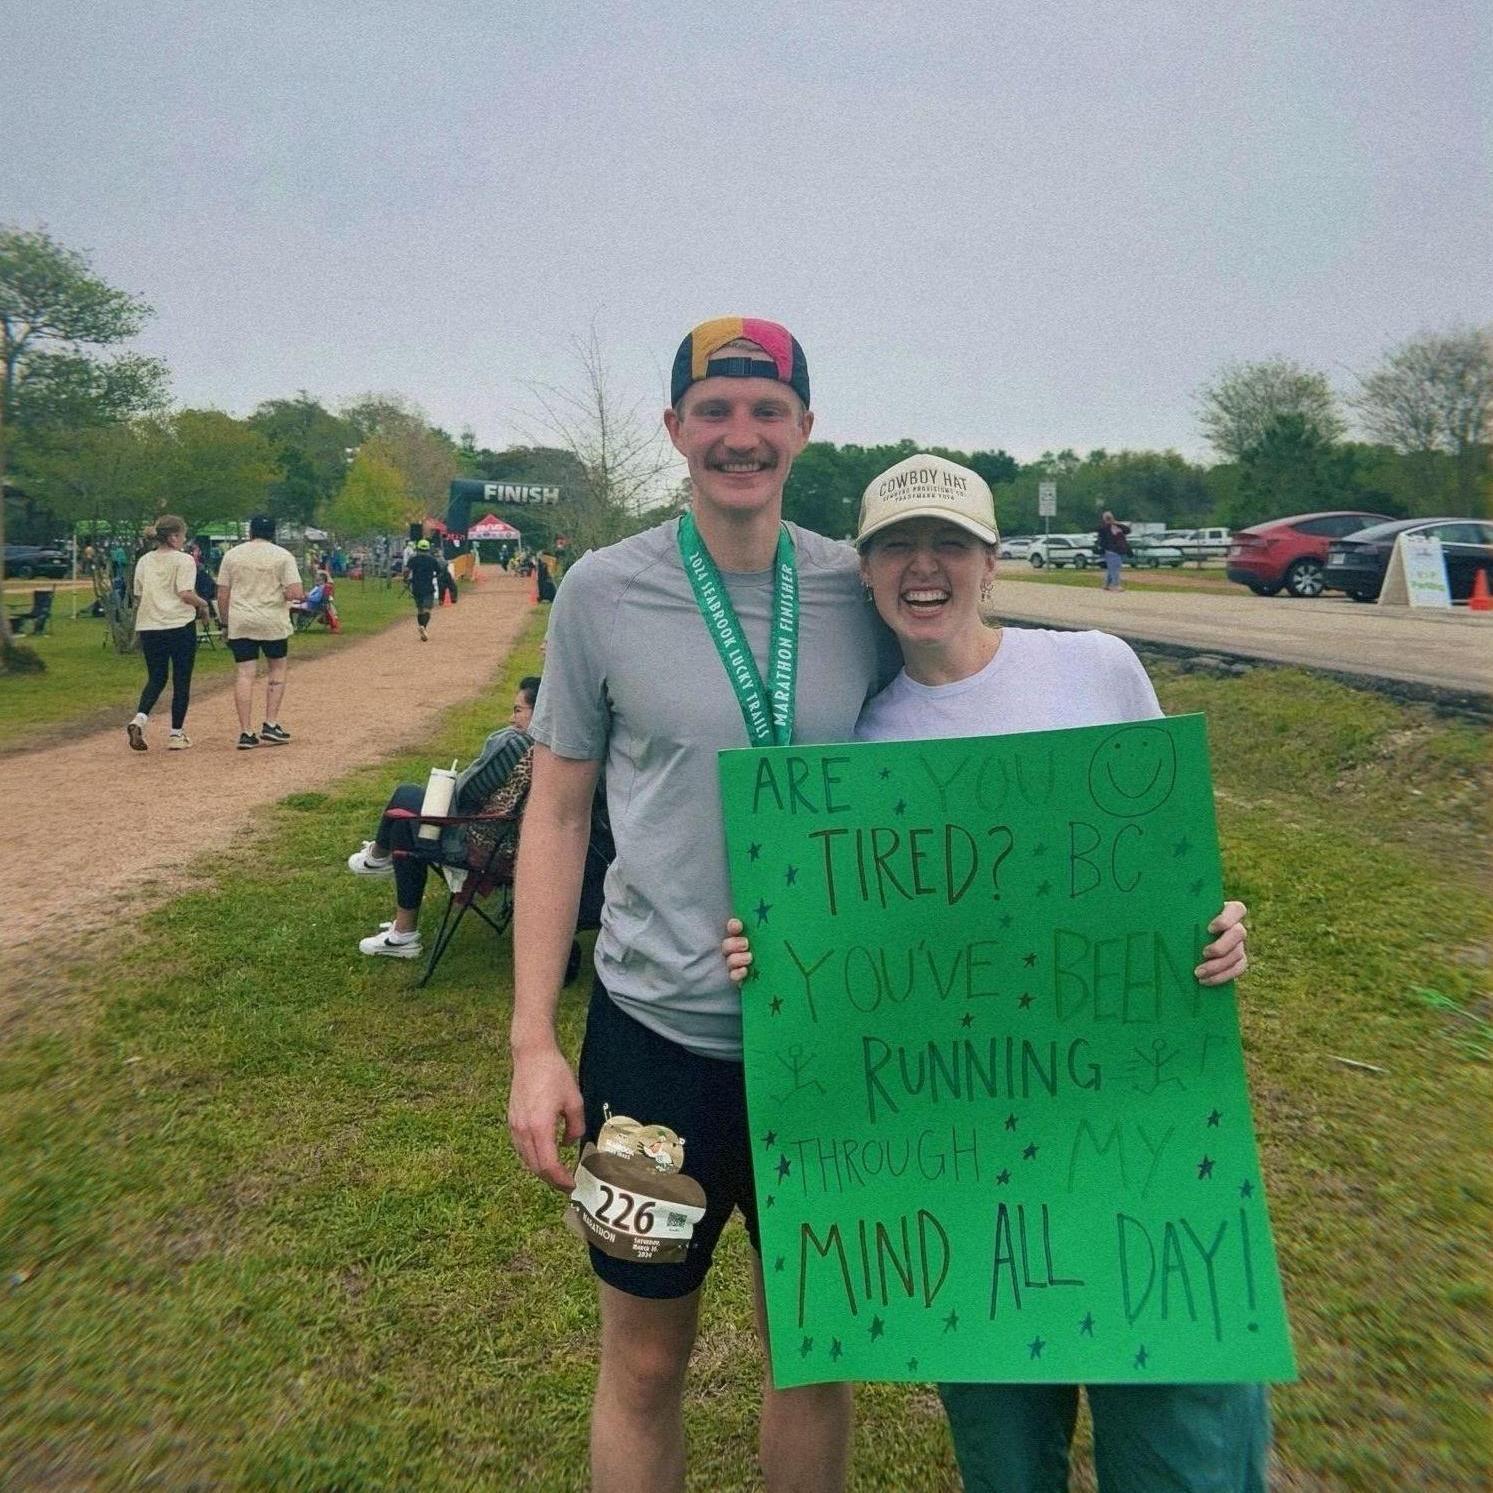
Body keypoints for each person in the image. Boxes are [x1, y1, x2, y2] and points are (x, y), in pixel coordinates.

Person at [724, 453, 1259, 1493]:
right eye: (895, 548)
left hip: (1126, 1128)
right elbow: (847, 940)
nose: (922, 568)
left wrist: (1215, 924)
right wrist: (774, 953)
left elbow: (1160, 864)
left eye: (948, 545)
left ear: (991, 560)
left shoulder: (1095, 665)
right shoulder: (857, 740)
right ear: (867, 572)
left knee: (1180, 1438)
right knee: (1004, 1456)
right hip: (964, 1161)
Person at [507, 317, 892, 1493]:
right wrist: (532, 1037)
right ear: (674, 429)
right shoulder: (602, 592)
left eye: (766, 410)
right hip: (653, 1045)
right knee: (643, 1361)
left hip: (824, 1051)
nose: (741, 435)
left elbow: (954, 765)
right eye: (714, 411)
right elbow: (559, 813)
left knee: (811, 1360)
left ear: (804, 430)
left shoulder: (856, 588)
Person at [349, 677, 541, 959]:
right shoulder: (556, 747)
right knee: (408, 818)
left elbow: (464, 793)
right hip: (515, 843)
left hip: (485, 845)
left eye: (518, 710)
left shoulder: (515, 746)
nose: (511, 718)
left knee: (405, 801)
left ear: (540, 711)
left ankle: (379, 858)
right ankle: (401, 928)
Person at [216, 514, 305, 750]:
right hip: (272, 620)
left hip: (242, 620)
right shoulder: (283, 556)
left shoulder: (232, 555)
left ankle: (246, 731)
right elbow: (296, 591)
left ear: (250, 532)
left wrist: (225, 622)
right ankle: (271, 722)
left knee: (245, 673)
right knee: (277, 669)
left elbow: (223, 592)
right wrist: (286, 594)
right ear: (273, 533)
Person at [125, 514, 211, 751]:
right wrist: (202, 604)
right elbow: (185, 593)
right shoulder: (183, 560)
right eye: (182, 535)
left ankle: (139, 719)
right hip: (178, 625)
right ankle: (176, 733)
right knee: (181, 679)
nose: (184, 539)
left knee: (157, 677)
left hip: (150, 625)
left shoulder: (144, 561)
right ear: (174, 537)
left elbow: (138, 594)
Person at [406, 538, 441, 641]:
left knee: (420, 609)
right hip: (428, 586)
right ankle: (424, 627)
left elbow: (407, 570)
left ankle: (422, 627)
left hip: (416, 586)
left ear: (418, 548)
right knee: (427, 609)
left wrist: (406, 579)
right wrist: (434, 577)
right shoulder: (432, 560)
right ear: (428, 549)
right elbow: (439, 572)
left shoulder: (413, 559)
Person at [1097, 509, 1132, 591]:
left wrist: (1117, 523)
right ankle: (1116, 585)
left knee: (1111, 568)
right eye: (1107, 518)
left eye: (1110, 517)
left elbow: (1127, 530)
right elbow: (1100, 533)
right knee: (1115, 568)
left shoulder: (1118, 526)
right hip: (1111, 550)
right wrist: (1108, 524)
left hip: (1119, 550)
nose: (1109, 519)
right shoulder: (1104, 528)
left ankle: (1106, 585)